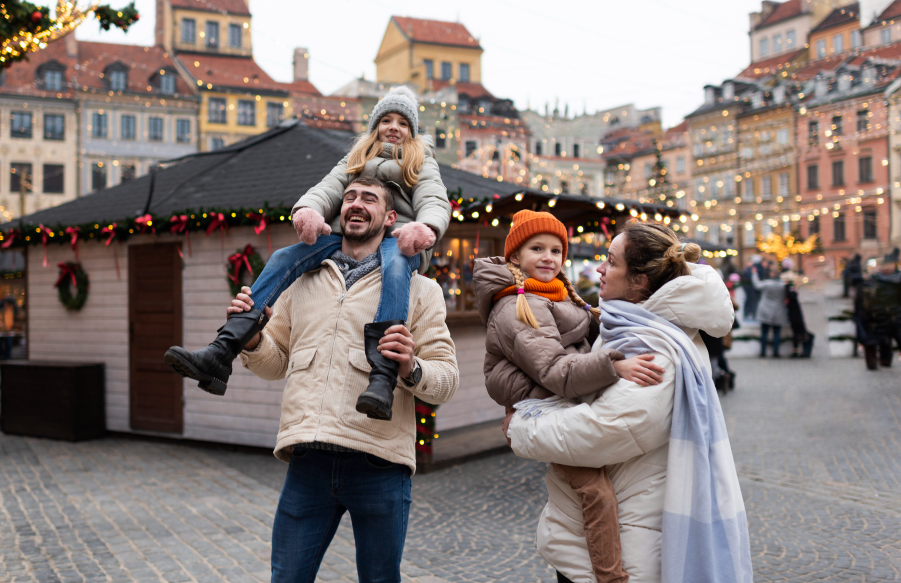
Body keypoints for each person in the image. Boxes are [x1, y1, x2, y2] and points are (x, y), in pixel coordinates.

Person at [164, 86, 450, 420]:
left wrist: (425, 227)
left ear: (412, 132)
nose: (394, 127)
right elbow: (327, 188)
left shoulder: (420, 161)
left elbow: (434, 198)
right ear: (374, 127)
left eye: (403, 122)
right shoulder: (356, 159)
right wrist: (310, 211)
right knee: (286, 256)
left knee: (397, 266)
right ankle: (222, 350)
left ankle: (382, 375)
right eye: (386, 119)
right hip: (347, 236)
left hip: (402, 239)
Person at [227, 177, 459, 582]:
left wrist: (411, 367)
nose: (356, 204)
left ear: (390, 218)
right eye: (349, 197)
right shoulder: (301, 281)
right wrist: (252, 341)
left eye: (369, 199)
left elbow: (447, 380)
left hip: (379, 462)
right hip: (307, 462)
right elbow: (275, 363)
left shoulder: (421, 291)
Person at [502, 220, 749, 583]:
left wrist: (521, 426)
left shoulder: (655, 349)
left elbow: (603, 431)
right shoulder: (634, 328)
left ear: (639, 282)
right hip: (600, 533)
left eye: (611, 261)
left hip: (623, 544)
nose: (599, 269)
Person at [474, 210, 663, 583]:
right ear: (515, 256)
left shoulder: (559, 295)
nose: (548, 257)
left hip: (559, 402)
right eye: (537, 248)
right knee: (596, 493)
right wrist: (614, 366)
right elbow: (553, 371)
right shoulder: (517, 304)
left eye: (556, 250)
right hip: (540, 407)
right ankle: (610, 577)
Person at [855, 251, 901, 370]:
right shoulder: (873, 281)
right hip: (879, 318)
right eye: (883, 265)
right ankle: (883, 361)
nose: (886, 268)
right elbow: (864, 300)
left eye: (889, 265)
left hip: (898, 317)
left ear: (894, 265)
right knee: (883, 343)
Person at [753, 258, 791, 358]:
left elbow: (756, 285)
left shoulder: (767, 284)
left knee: (764, 332)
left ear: (772, 274)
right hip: (778, 311)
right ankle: (776, 352)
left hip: (765, 310)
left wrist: (754, 274)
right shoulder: (783, 285)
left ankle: (763, 352)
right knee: (776, 333)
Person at [783, 262, 813, 359]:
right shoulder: (793, 290)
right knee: (798, 333)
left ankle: (800, 351)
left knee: (799, 333)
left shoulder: (793, 290)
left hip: (797, 315)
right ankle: (798, 351)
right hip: (797, 315)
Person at [740, 255, 762, 322]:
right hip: (748, 289)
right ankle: (747, 315)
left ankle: (752, 314)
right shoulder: (746, 270)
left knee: (753, 303)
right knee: (749, 302)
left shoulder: (752, 269)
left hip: (752, 289)